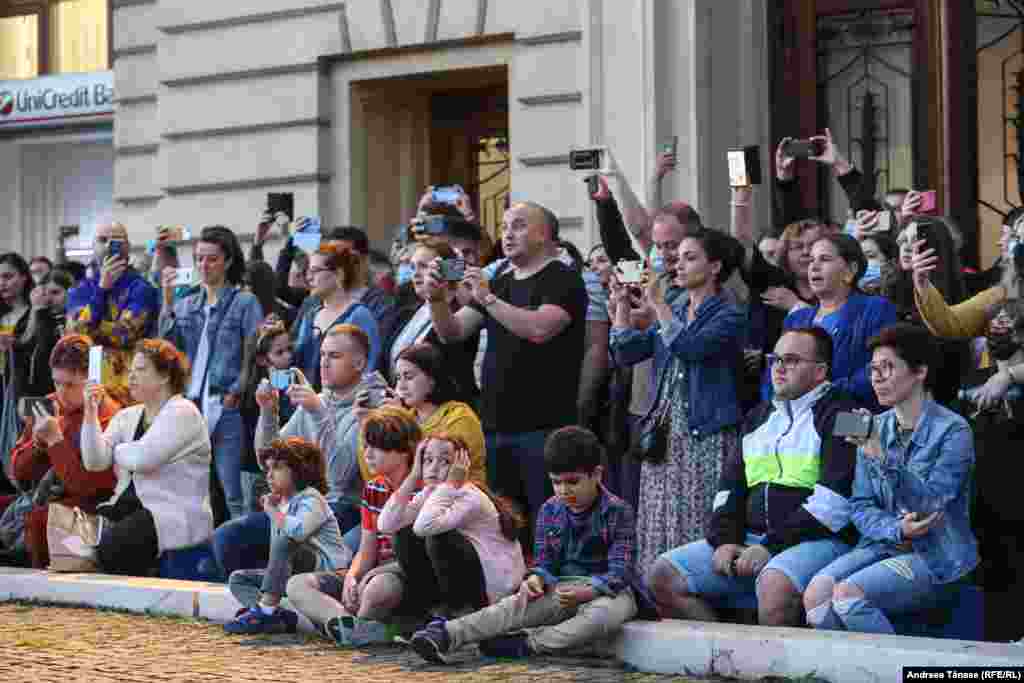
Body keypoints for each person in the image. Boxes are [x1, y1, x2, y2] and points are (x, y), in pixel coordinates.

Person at [647, 328, 859, 626]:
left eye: (792, 360)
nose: (779, 368)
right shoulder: (757, 416)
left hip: (821, 540)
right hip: (754, 541)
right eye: (775, 359)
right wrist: (724, 540)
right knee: (663, 575)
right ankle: (725, 659)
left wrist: (769, 546)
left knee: (775, 585)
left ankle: (779, 672)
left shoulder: (849, 414)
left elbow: (835, 506)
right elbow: (728, 490)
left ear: (820, 371)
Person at [409, 426, 654, 663]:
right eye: (556, 482)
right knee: (513, 607)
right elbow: (544, 562)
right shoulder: (550, 510)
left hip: (608, 592)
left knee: (601, 617)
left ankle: (528, 644)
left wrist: (589, 592)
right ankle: (447, 634)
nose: (564, 490)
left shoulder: (618, 511)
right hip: (561, 589)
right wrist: (536, 579)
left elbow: (621, 571)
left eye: (573, 482)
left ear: (596, 475)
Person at [803, 324, 978, 634]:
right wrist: (896, 529)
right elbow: (859, 505)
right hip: (882, 543)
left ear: (920, 371)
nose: (877, 378)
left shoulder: (955, 430)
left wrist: (882, 457)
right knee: (815, 595)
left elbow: (930, 505)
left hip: (937, 554)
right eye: (873, 369)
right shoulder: (868, 424)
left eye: (887, 367)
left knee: (847, 595)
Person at [425, 202, 588, 525]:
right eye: (504, 226)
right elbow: (452, 332)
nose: (507, 234)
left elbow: (540, 329)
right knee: (504, 524)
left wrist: (487, 298)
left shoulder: (563, 279)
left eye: (518, 225)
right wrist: (436, 300)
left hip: (544, 426)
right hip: (496, 424)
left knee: (547, 522)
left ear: (543, 234)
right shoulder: (499, 280)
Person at [610, 228, 746, 570]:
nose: (678, 264)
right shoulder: (676, 305)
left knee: (698, 516)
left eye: (690, 257)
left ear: (715, 267)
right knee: (659, 517)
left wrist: (657, 303)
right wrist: (622, 307)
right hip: (666, 432)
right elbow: (627, 351)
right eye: (678, 257)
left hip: (705, 431)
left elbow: (690, 348)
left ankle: (696, 590)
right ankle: (658, 590)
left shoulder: (729, 312)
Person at [212, 324, 382, 580]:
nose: (324, 363)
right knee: (228, 536)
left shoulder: (370, 407)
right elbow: (267, 459)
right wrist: (269, 412)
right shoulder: (319, 401)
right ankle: (265, 604)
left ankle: (274, 605)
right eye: (323, 354)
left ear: (359, 363)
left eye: (334, 356)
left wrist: (317, 413)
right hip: (307, 505)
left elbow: (338, 479)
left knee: (249, 538)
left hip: (346, 511)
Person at [286, 408, 423, 646]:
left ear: (403, 451)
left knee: (379, 588)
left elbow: (420, 559)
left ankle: (358, 627)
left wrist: (372, 575)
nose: (367, 453)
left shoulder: (424, 490)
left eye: (376, 446)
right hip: (370, 575)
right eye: (366, 445)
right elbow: (367, 547)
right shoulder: (373, 488)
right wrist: (352, 577)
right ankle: (348, 625)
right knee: (297, 584)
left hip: (401, 577)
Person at [81, 339, 213, 576]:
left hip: (171, 513)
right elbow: (94, 461)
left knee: (112, 547)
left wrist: (117, 449)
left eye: (140, 370)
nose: (131, 377)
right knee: (79, 541)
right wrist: (90, 412)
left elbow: (144, 458)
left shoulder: (184, 411)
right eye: (130, 370)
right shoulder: (127, 415)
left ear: (164, 376)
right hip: (129, 506)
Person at [160, 225, 264, 521]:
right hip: (191, 405)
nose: (204, 265)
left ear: (228, 261)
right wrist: (167, 301)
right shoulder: (186, 304)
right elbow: (166, 348)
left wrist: (238, 390)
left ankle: (239, 550)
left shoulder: (245, 302)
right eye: (199, 259)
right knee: (194, 489)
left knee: (233, 490)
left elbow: (254, 352)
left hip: (225, 403)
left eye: (212, 259)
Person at [378, 434, 526, 618]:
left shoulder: (468, 496)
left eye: (445, 462)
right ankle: (435, 610)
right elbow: (386, 525)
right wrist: (414, 474)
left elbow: (424, 527)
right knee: (403, 534)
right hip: (468, 581)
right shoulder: (432, 492)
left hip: (494, 590)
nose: (433, 468)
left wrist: (451, 484)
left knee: (437, 536)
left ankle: (462, 613)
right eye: (428, 460)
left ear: (461, 466)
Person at [10, 335, 121, 568]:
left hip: (94, 510)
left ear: (92, 381)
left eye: (69, 384)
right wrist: (37, 445)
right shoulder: (49, 404)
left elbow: (88, 488)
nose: (60, 392)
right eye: (56, 382)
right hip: (45, 499)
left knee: (43, 519)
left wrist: (55, 442)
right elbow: (18, 475)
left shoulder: (109, 415)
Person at [224, 437, 347, 635]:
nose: (270, 475)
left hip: (330, 575)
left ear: (300, 470)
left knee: (286, 539)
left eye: (277, 468)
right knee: (238, 579)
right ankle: (276, 616)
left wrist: (272, 511)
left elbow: (298, 533)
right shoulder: (281, 504)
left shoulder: (313, 498)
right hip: (297, 574)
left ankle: (265, 611)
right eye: (268, 469)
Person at [780, 234, 899, 410]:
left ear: (850, 270)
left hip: (855, 415)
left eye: (825, 259)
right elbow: (775, 370)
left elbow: (881, 365)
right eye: (811, 260)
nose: (813, 266)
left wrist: (825, 393)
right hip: (798, 417)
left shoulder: (875, 309)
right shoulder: (796, 319)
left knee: (842, 436)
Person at [358, 343, 486, 487]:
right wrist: (366, 425)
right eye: (398, 378)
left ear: (432, 380)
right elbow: (373, 476)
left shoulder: (460, 417)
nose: (401, 386)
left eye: (409, 377)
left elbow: (438, 474)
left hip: (457, 501)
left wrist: (400, 425)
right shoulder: (406, 417)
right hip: (411, 502)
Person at [66, 223, 160, 403]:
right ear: (93, 246)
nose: (108, 246)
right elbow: (76, 336)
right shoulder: (79, 289)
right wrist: (102, 289)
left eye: (116, 241)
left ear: (128, 247)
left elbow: (123, 335)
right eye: (102, 240)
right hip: (88, 389)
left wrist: (92, 326)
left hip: (130, 391)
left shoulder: (142, 288)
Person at [383, 239, 480, 406]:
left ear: (447, 270)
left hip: (446, 411)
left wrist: (457, 279)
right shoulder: (407, 313)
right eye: (413, 267)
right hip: (404, 411)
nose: (415, 274)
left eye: (424, 266)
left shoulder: (462, 312)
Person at [293, 243, 381, 389]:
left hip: (343, 406)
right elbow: (296, 364)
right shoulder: (310, 315)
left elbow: (369, 369)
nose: (309, 277)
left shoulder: (359, 315)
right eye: (308, 271)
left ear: (338, 274)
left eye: (316, 271)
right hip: (306, 405)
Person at [238, 318, 296, 512]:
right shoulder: (262, 387)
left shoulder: (284, 378)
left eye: (289, 349)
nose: (288, 356)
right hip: (257, 471)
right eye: (279, 352)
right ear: (263, 359)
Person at [1, 253, 39, 492]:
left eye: (8, 276)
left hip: (19, 390)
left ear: (24, 278)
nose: (2, 282)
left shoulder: (35, 313)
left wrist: (15, 344)